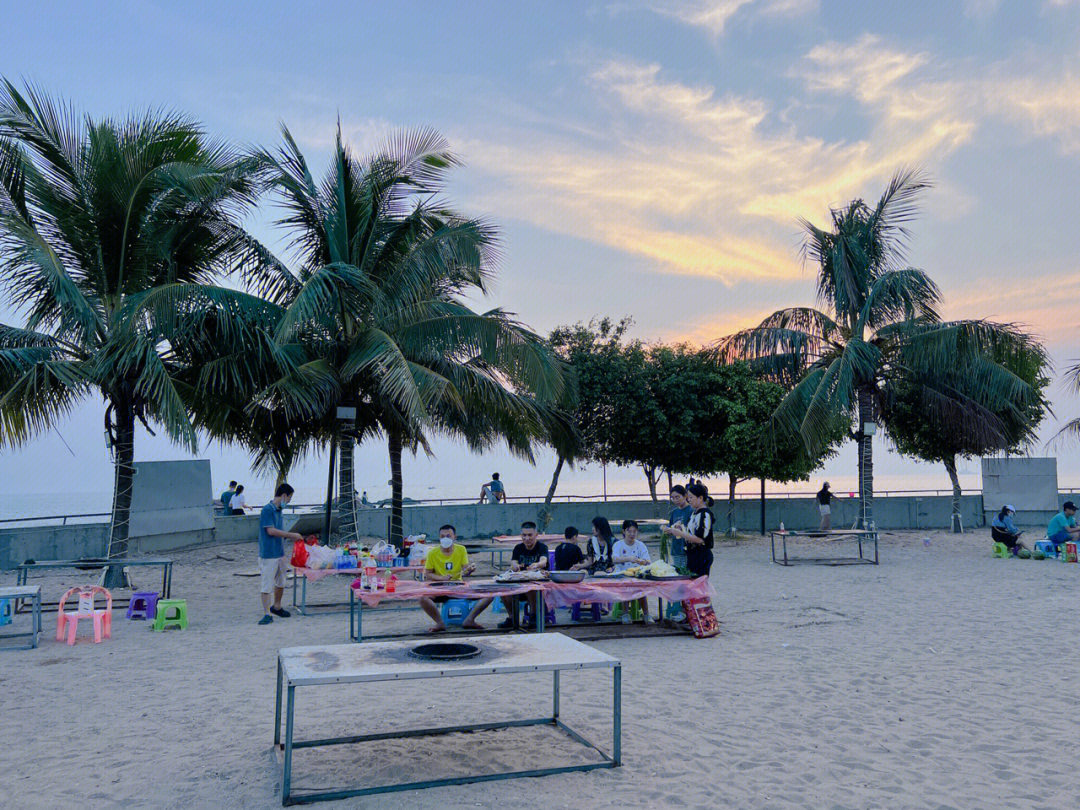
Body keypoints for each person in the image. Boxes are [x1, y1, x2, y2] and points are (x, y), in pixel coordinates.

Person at [419, 524, 489, 632]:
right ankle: (440, 623)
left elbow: (465, 570)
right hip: (440, 588)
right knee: (423, 598)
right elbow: (428, 574)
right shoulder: (433, 553)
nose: (445, 539)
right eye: (442, 536)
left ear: (454, 537)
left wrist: (470, 569)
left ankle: (470, 620)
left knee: (489, 595)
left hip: (459, 587)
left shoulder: (461, 549)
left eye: (448, 536)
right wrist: (441, 578)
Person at [257, 483, 304, 625]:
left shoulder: (278, 511)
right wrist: (291, 535)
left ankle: (277, 606)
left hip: (279, 552)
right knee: (267, 584)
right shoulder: (267, 510)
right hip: (268, 553)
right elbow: (270, 531)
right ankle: (267, 613)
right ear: (284, 495)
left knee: (281, 581)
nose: (288, 502)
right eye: (289, 499)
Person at [498, 522, 548, 629]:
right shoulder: (518, 548)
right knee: (503, 590)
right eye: (524, 535)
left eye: (530, 535)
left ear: (536, 535)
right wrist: (515, 566)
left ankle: (534, 616)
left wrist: (537, 564)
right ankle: (512, 618)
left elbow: (544, 561)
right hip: (518, 585)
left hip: (537, 588)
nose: (527, 538)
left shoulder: (542, 547)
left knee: (530, 587)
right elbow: (513, 563)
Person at [663, 482, 714, 577]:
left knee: (697, 586)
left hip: (701, 555)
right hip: (692, 555)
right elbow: (691, 532)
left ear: (700, 498)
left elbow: (700, 539)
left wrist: (680, 533)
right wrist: (680, 529)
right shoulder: (696, 513)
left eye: (691, 497)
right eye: (689, 498)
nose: (689, 500)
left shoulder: (704, 514)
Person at [612, 520, 652, 622]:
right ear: (624, 531)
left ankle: (646, 614)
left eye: (634, 531)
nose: (632, 534)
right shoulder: (618, 545)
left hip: (637, 574)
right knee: (626, 586)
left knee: (640, 587)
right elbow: (614, 559)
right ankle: (625, 614)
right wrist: (628, 558)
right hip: (621, 574)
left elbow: (648, 561)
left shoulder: (640, 545)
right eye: (629, 531)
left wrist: (643, 562)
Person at [667, 486, 693, 568]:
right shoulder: (675, 512)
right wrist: (667, 530)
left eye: (677, 497)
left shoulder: (691, 510)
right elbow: (670, 527)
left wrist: (681, 529)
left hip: (687, 549)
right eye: (673, 498)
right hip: (676, 549)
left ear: (685, 496)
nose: (675, 500)